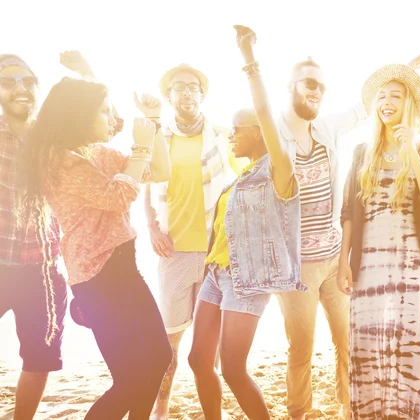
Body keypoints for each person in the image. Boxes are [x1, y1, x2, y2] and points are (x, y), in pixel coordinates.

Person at [276, 51, 420, 420]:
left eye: (322, 86)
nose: (317, 91)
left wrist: (404, 72)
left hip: (332, 257)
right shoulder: (272, 131)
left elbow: (369, 106)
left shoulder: (326, 128)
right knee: (301, 348)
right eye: (310, 82)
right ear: (291, 86)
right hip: (295, 266)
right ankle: (299, 412)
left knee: (347, 340)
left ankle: (348, 406)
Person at [19, 76, 173, 420]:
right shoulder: (60, 161)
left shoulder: (98, 152)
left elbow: (160, 170)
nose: (112, 118)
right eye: (103, 111)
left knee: (159, 358)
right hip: (97, 279)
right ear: (79, 115)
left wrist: (156, 125)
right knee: (131, 379)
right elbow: (117, 196)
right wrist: (142, 147)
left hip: (124, 269)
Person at [186, 25, 303, 420]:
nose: (231, 135)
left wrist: (248, 57)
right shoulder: (238, 180)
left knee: (233, 368)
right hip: (215, 276)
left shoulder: (278, 171)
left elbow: (268, 113)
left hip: (246, 281)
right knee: (199, 361)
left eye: (238, 129)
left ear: (260, 133)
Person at [337, 61, 420, 419]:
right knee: (369, 345)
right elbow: (347, 212)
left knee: (409, 347)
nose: (387, 102)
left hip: (411, 266)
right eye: (382, 97)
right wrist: (344, 262)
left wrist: (411, 151)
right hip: (367, 266)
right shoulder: (361, 153)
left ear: (409, 105)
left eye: (396, 96)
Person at [139, 61, 243, 420]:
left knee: (208, 343)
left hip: (216, 251)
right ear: (169, 97)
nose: (187, 92)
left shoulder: (219, 133)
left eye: (193, 87)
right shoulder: (159, 136)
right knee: (169, 341)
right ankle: (161, 408)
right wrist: (151, 227)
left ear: (202, 94)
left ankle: (209, 408)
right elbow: (147, 185)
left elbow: (247, 169)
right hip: (175, 252)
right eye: (179, 87)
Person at [0, 54, 68, 420]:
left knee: (39, 357)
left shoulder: (53, 138)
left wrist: (87, 73)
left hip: (42, 271)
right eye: (8, 82)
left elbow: (108, 124)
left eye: (27, 81)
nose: (20, 89)